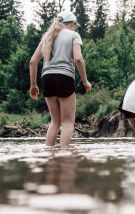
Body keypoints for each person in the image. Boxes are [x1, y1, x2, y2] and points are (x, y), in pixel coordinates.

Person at [29, 11, 92, 146]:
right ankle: (64, 156)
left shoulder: (47, 36)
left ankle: (49, 155)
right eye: (76, 25)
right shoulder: (74, 35)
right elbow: (78, 59)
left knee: (55, 122)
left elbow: (33, 62)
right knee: (68, 121)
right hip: (64, 77)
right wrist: (85, 81)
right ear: (73, 23)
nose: (76, 28)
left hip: (47, 78)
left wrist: (33, 85)